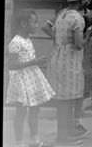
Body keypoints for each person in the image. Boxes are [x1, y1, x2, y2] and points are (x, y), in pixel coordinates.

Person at [44, 0, 88, 144]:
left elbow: (46, 28)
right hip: (70, 62)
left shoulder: (62, 14)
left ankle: (63, 135)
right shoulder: (77, 18)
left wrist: (58, 40)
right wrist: (88, 34)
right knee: (67, 101)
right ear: (81, 0)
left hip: (58, 58)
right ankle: (64, 137)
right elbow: (79, 44)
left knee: (63, 101)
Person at [6, 9, 56, 147]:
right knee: (21, 112)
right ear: (23, 23)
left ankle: (35, 140)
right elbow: (11, 65)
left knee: (35, 109)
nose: (36, 25)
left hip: (31, 79)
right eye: (34, 22)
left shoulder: (27, 39)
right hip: (21, 81)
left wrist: (38, 62)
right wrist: (34, 62)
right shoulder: (16, 42)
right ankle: (19, 142)